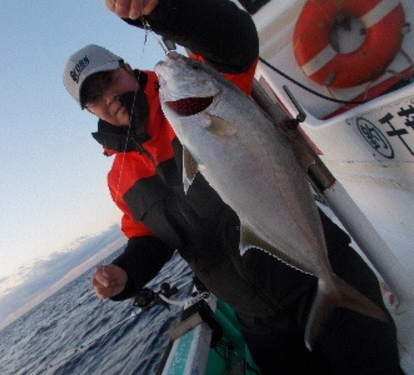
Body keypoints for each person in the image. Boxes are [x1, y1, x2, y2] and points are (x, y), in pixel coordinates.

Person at [63, 0, 404, 373]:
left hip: (318, 275)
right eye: (94, 97)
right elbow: (150, 239)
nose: (108, 97)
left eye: (109, 79)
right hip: (261, 324)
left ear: (126, 68)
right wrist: (125, 274)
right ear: (89, 111)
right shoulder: (119, 179)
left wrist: (162, 9)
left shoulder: (201, 89)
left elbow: (235, 40)